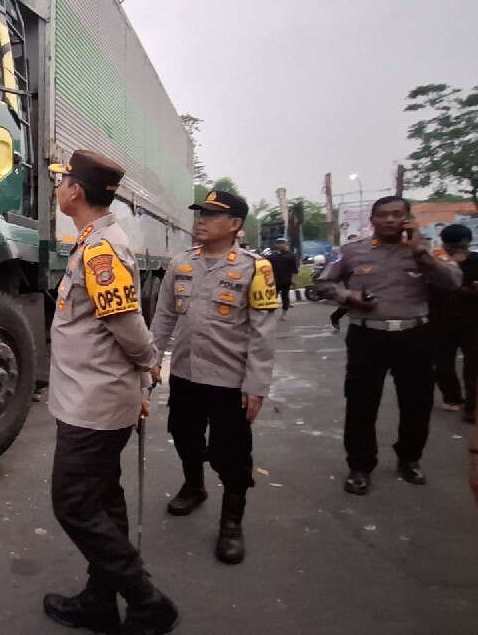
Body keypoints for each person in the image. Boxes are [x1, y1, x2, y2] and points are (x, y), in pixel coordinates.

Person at [41, 150, 178, 635]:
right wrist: (139, 380)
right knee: (102, 500)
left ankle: (145, 599)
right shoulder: (94, 242)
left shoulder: (101, 250)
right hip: (92, 398)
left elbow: (126, 324)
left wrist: (147, 367)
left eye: (62, 181)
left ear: (76, 191)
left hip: (93, 406)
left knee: (74, 504)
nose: (57, 188)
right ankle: (101, 601)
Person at [150, 190, 278, 564]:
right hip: (187, 375)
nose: (201, 220)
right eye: (200, 213)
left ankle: (231, 522)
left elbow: (262, 332)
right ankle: (194, 486)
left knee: (232, 455)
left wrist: (256, 386)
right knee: (185, 436)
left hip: (230, 381)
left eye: (212, 214)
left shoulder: (255, 269)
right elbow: (164, 318)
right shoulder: (181, 263)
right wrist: (152, 359)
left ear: (235, 225)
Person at [315, 197, 461, 494]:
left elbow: (452, 282)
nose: (390, 220)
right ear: (373, 219)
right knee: (361, 404)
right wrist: (349, 297)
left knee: (417, 403)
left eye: (397, 215)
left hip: (414, 336)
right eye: (383, 215)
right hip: (368, 336)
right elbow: (323, 283)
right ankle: (359, 466)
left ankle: (409, 459)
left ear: (408, 219)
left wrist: (422, 254)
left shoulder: (424, 252)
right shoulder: (351, 252)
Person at [429, 224, 478, 421]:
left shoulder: (436, 263)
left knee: (445, 363)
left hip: (443, 322)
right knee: (470, 365)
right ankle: (469, 406)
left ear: (444, 243)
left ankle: (455, 400)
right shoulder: (439, 263)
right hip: (466, 322)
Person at [268, 238, 299, 318]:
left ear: (286, 244)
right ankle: (271, 312)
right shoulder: (272, 256)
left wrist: (293, 279)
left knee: (285, 296)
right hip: (274, 280)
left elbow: (294, 269)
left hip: (286, 280)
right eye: (279, 243)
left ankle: (284, 313)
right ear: (276, 245)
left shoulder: (290, 256)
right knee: (272, 297)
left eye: (283, 243)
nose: (281, 245)